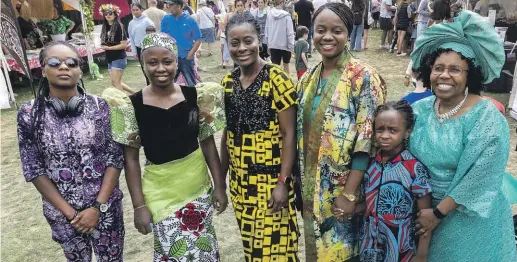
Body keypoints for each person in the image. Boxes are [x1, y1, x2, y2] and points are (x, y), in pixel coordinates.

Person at [104, 33, 228, 262]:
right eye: (153, 62)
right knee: (173, 251)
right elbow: (131, 159)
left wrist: (220, 185)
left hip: (197, 188)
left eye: (167, 62)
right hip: (159, 193)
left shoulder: (195, 97)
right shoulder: (133, 106)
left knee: (203, 249)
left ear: (176, 63)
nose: (160, 68)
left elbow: (208, 144)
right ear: (143, 64)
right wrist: (139, 205)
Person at [409, 10, 517, 262]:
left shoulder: (486, 116)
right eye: (438, 68)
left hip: (469, 219)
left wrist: (436, 214)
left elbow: (480, 176)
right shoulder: (418, 110)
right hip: (421, 214)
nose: (444, 75)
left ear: (471, 75)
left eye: (455, 69)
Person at [17, 42, 125, 261]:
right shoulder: (29, 114)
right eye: (55, 63)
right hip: (63, 216)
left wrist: (96, 207)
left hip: (105, 208)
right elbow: (34, 169)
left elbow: (114, 158)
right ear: (43, 69)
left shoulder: (101, 107)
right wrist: (71, 213)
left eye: (71, 63)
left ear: (80, 69)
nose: (64, 67)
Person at [296, 3, 386, 261]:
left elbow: (368, 140)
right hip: (313, 189)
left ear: (348, 33)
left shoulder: (364, 77)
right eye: (320, 30)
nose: (327, 37)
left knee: (346, 251)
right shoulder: (307, 78)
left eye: (337, 30)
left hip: (347, 191)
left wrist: (348, 195)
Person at [220, 12, 300, 262]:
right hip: (241, 184)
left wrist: (282, 182)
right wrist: (221, 181)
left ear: (260, 41)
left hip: (270, 182)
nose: (242, 48)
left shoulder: (277, 79)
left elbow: (289, 135)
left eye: (248, 41)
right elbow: (227, 133)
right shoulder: (228, 82)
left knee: (276, 251)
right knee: (253, 251)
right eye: (235, 43)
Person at [360, 100, 432, 262]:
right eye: (380, 129)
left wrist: (421, 254)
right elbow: (370, 202)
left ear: (407, 132)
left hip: (401, 248)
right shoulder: (370, 163)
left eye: (393, 130)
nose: (384, 135)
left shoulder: (414, 168)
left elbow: (425, 217)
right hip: (369, 245)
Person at [161, 0, 202, 87]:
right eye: (168, 5)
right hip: (170, 58)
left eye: (171, 5)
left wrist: (190, 55)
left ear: (179, 6)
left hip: (186, 57)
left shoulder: (190, 20)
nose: (169, 7)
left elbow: (198, 39)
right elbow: (163, 36)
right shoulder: (166, 19)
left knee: (191, 83)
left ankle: (192, 99)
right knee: (168, 83)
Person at [100, 4, 136, 94]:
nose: (108, 15)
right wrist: (104, 45)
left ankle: (124, 102)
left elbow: (124, 45)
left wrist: (109, 47)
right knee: (114, 82)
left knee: (116, 83)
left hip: (119, 57)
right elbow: (104, 41)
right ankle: (135, 94)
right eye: (105, 13)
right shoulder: (105, 26)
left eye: (110, 13)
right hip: (110, 57)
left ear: (115, 14)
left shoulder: (120, 26)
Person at [265, 0, 295, 74]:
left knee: (275, 68)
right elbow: (290, 32)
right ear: (282, 2)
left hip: (273, 44)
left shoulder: (269, 14)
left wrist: (268, 44)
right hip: (285, 45)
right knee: (286, 66)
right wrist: (291, 46)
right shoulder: (287, 15)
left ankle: (275, 84)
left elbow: (267, 30)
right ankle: (288, 84)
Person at [129, 3, 155, 86]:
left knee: (151, 68)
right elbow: (131, 38)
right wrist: (134, 51)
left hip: (149, 48)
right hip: (139, 48)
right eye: (133, 10)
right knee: (144, 69)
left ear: (141, 10)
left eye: (137, 10)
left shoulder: (147, 21)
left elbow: (153, 35)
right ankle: (149, 86)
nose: (135, 12)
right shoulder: (131, 23)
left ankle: (155, 85)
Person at [219, 1, 234, 68]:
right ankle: (232, 61)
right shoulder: (235, 14)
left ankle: (225, 62)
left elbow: (225, 24)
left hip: (228, 32)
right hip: (234, 32)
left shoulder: (227, 15)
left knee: (226, 47)